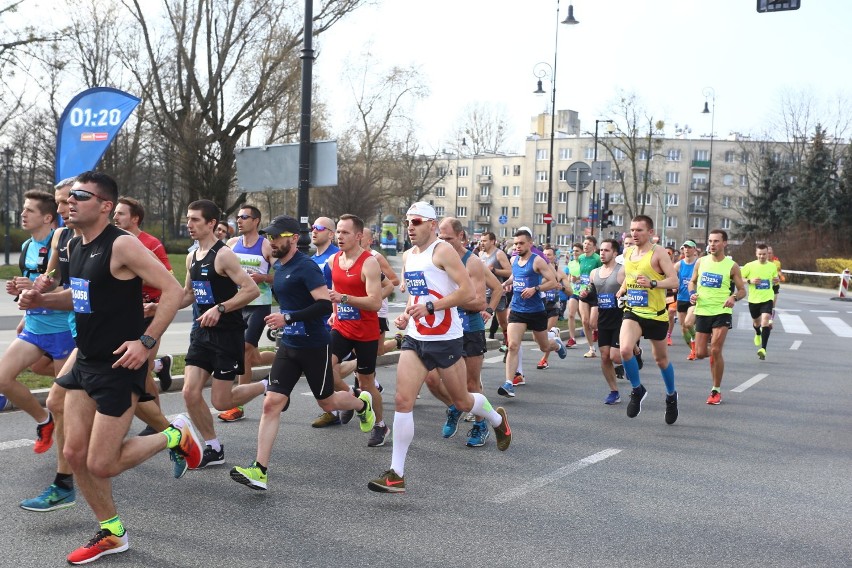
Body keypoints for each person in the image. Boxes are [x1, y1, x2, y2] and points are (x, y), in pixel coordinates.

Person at [18, 171, 203, 565]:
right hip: (86, 359)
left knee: (102, 462)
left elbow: (172, 291)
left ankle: (175, 435)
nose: (69, 203)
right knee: (75, 452)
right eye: (68, 199)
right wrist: (38, 300)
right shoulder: (74, 243)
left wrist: (147, 341)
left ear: (105, 206)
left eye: (79, 197)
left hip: (121, 363)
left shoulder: (123, 245)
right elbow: (80, 297)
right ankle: (112, 532)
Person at [367, 202, 511, 493]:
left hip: (445, 338)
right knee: (404, 401)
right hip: (415, 337)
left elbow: (468, 293)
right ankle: (396, 473)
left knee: (462, 401)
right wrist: (408, 314)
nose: (410, 226)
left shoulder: (442, 251)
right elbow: (415, 296)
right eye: (408, 221)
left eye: (417, 221)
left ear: (432, 225)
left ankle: (497, 420)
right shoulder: (408, 255)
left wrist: (433, 306)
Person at [229, 215, 374, 491]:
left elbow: (322, 306)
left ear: (294, 238)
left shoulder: (306, 267)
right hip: (288, 346)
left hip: (314, 345)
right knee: (271, 402)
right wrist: (281, 319)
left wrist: (289, 317)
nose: (271, 241)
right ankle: (259, 470)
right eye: (269, 236)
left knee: (328, 403)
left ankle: (361, 403)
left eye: (276, 236)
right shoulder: (280, 267)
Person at [179, 199, 267, 468]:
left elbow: (250, 290)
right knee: (189, 393)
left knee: (222, 400)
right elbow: (188, 294)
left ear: (211, 223)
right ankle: (213, 447)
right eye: (188, 219)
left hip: (227, 334)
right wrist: (157, 308)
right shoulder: (191, 256)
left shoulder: (224, 255)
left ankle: (268, 385)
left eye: (195, 220)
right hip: (201, 332)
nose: (189, 225)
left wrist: (221, 308)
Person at [2, 187, 74, 511]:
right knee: (3, 378)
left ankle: (67, 476)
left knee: (65, 406)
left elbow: (59, 285)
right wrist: (18, 291)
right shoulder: (27, 246)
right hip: (34, 327)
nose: (22, 214)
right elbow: (31, 287)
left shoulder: (62, 240)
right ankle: (43, 421)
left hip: (62, 331)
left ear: (47, 217)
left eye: (29, 210)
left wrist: (33, 288)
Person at [426, 218, 502, 447]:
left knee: (470, 384)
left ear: (462, 238)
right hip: (442, 328)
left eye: (448, 238)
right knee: (431, 379)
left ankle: (480, 425)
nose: (443, 242)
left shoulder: (473, 263)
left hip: (469, 327)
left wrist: (445, 302)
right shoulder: (436, 258)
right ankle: (455, 406)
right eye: (441, 237)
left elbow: (478, 301)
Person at [112, 196, 175, 433]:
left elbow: (169, 280)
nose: (115, 217)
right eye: (115, 213)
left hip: (149, 312)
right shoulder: (114, 241)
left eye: (121, 214)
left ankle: (157, 424)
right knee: (135, 368)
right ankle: (161, 364)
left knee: (142, 372)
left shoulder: (151, 243)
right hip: (123, 315)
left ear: (135, 218)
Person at [327, 214, 387, 447]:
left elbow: (374, 302)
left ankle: (381, 425)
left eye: (345, 233)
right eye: (338, 232)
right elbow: (335, 288)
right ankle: (355, 401)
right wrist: (335, 309)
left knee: (367, 383)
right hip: (341, 327)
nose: (339, 237)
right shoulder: (334, 260)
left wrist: (344, 298)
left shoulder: (369, 262)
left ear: (359, 236)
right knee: (324, 365)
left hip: (366, 331)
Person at [615, 215, 680, 424]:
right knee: (625, 349)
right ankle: (637, 389)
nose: (634, 234)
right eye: (632, 230)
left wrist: (653, 283)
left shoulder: (658, 253)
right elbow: (629, 275)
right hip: (633, 311)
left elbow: (674, 281)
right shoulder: (627, 252)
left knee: (661, 360)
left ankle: (671, 396)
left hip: (657, 314)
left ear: (650, 232)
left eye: (639, 230)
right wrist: (622, 288)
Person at [218, 205, 275, 423]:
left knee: (243, 350)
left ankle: (237, 406)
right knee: (254, 356)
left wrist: (264, 278)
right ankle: (285, 362)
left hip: (259, 304)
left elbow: (280, 275)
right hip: (237, 304)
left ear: (256, 221)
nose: (239, 221)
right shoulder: (232, 244)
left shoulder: (266, 246)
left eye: (244, 217)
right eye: (237, 217)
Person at [497, 229, 566, 398]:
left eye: (521, 243)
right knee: (513, 345)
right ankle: (508, 383)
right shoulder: (513, 259)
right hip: (517, 310)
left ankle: (556, 344)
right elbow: (515, 275)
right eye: (515, 244)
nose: (517, 246)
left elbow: (553, 282)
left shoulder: (538, 262)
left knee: (543, 346)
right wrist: (506, 283)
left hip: (536, 311)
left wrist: (535, 288)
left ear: (530, 243)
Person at [688, 229, 746, 404]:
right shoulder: (701, 262)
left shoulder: (732, 266)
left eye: (716, 241)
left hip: (722, 311)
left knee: (715, 349)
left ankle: (716, 390)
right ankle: (713, 354)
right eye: (710, 241)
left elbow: (742, 290)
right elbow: (692, 281)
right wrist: (692, 293)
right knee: (699, 353)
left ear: (725, 243)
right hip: (703, 310)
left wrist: (733, 297)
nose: (712, 244)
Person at [308, 216, 343, 428]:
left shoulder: (336, 257)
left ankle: (348, 401)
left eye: (319, 228)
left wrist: (337, 312)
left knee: (326, 366)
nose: (314, 231)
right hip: (314, 320)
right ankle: (339, 405)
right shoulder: (311, 260)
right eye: (312, 227)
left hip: (332, 320)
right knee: (326, 367)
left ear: (331, 234)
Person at [583, 239, 624, 405]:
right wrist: (586, 295)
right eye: (601, 250)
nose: (602, 253)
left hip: (621, 318)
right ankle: (614, 391)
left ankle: (635, 351)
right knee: (605, 357)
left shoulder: (622, 272)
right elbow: (593, 295)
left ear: (615, 253)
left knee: (616, 356)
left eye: (607, 250)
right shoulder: (595, 273)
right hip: (604, 319)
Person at [741, 243, 779, 361]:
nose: (762, 256)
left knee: (765, 322)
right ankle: (757, 333)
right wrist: (750, 280)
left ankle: (763, 349)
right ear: (756, 254)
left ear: (768, 254)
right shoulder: (749, 266)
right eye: (760, 254)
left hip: (767, 298)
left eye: (764, 254)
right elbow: (739, 279)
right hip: (753, 300)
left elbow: (775, 281)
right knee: (757, 323)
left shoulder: (772, 266)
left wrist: (776, 280)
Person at [536, 246, 571, 370]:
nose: (546, 257)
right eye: (544, 254)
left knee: (544, 334)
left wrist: (561, 287)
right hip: (539, 307)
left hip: (553, 307)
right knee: (540, 339)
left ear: (554, 257)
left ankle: (544, 360)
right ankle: (554, 337)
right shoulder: (537, 270)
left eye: (549, 255)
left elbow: (570, 291)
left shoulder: (559, 273)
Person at [479, 231, 511, 346]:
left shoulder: (499, 254)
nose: (482, 243)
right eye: (481, 241)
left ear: (492, 241)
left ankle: (508, 342)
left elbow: (509, 272)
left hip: (497, 293)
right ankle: (480, 346)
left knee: (502, 322)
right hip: (484, 293)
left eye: (484, 241)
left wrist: (494, 270)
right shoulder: (480, 254)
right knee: (480, 321)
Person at [673, 240, 699, 360]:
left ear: (694, 250)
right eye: (685, 248)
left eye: (689, 248)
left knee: (689, 323)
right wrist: (673, 285)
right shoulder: (679, 265)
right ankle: (693, 349)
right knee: (683, 328)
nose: (687, 250)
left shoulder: (699, 264)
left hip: (694, 298)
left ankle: (697, 344)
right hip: (681, 298)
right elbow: (671, 277)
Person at [577, 236, 602, 358]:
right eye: (585, 243)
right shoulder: (581, 258)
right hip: (583, 292)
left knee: (593, 323)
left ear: (594, 247)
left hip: (595, 292)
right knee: (585, 321)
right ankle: (591, 349)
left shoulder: (597, 259)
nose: (586, 246)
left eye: (589, 244)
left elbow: (601, 274)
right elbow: (582, 276)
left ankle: (600, 333)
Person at [563, 243, 584, 348]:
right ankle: (572, 338)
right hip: (573, 292)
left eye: (577, 251)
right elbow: (569, 277)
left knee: (584, 318)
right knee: (571, 315)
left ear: (582, 252)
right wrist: (567, 285)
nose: (575, 253)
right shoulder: (571, 263)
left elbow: (588, 277)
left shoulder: (585, 263)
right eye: (573, 251)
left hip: (584, 292)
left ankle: (592, 330)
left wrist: (578, 279)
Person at [767, 245, 783, 323]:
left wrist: (780, 276)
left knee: (772, 304)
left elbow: (779, 272)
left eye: (771, 253)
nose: (769, 255)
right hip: (765, 287)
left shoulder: (777, 263)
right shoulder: (761, 263)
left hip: (775, 286)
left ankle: (770, 320)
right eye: (768, 253)